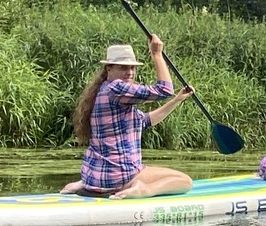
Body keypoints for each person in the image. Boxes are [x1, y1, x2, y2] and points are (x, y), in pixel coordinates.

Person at [65, 38, 194, 199]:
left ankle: (87, 183)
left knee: (170, 177)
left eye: (132, 68)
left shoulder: (104, 91)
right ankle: (142, 189)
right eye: (123, 68)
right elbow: (164, 89)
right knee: (184, 181)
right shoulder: (116, 88)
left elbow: (145, 121)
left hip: (96, 176)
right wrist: (157, 54)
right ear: (109, 69)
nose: (130, 72)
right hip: (120, 176)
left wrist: (177, 100)